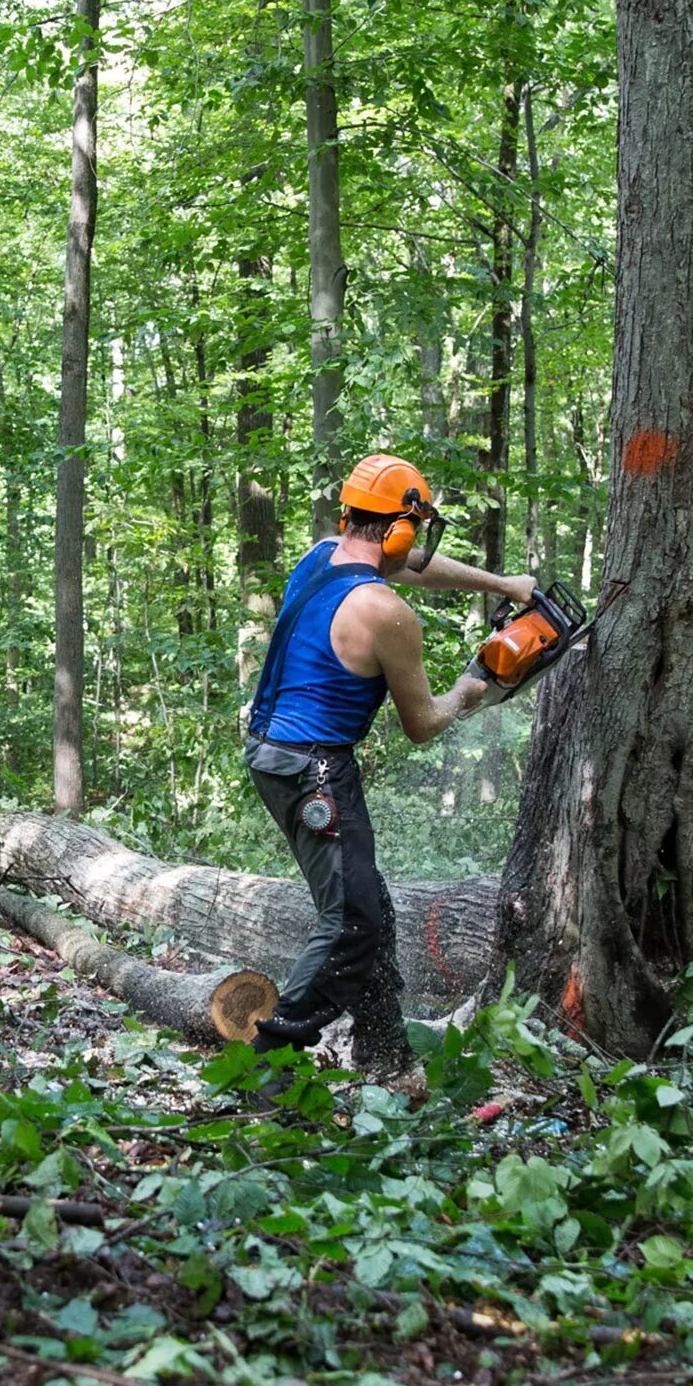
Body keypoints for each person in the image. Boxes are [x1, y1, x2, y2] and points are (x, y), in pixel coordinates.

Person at [244, 454, 534, 1079]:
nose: (419, 547)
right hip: (314, 769)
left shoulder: (322, 554)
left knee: (369, 906)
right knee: (353, 920)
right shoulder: (386, 613)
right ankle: (269, 1065)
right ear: (401, 529)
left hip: (270, 753)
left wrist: (504, 585)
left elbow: (417, 571)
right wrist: (467, 692)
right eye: (416, 531)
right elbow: (423, 724)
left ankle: (387, 1057)